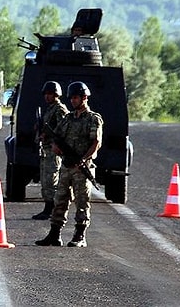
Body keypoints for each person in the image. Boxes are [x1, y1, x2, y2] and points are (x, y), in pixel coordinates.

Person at [35, 81, 102, 247]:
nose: (72, 100)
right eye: (71, 97)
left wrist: (84, 159)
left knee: (81, 202)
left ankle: (80, 235)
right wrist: (56, 147)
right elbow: (56, 136)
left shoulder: (93, 118)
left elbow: (96, 143)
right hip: (66, 165)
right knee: (60, 200)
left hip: (81, 167)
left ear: (84, 98)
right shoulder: (68, 118)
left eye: (76, 97)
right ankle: (54, 234)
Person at [32, 81, 69, 220]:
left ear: (56, 94)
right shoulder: (50, 109)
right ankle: (48, 207)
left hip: (54, 149)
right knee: (45, 179)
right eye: (46, 94)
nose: (47, 97)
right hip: (46, 149)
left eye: (50, 94)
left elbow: (63, 129)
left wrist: (49, 135)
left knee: (51, 179)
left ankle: (52, 209)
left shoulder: (59, 109)